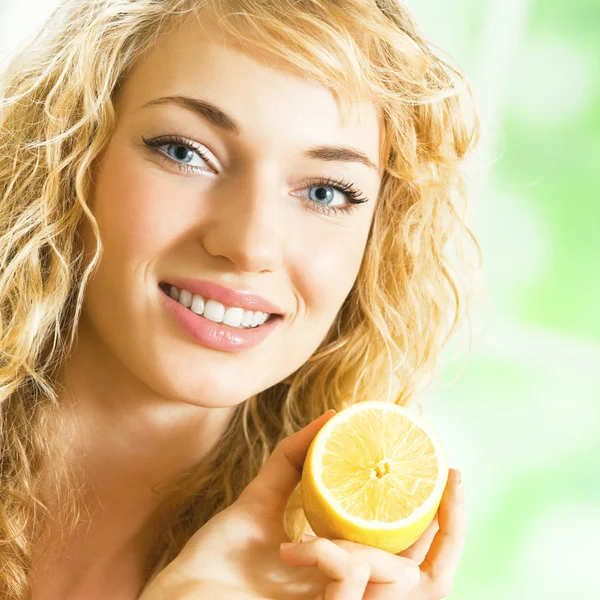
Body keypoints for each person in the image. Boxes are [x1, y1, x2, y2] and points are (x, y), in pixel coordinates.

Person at [0, 0, 479, 598]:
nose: (249, 245)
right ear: (70, 154)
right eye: (184, 152)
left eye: (326, 192)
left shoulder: (311, 578)